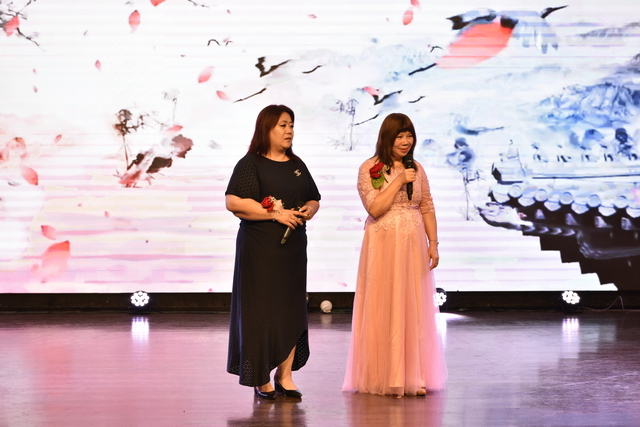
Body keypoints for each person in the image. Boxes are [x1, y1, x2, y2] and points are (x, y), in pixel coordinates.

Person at [342, 113, 447, 397]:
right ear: (387, 137)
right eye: (400, 136)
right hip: (382, 244)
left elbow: (427, 206)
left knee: (413, 306)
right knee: (383, 304)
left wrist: (433, 242)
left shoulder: (417, 168)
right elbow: (375, 208)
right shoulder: (369, 168)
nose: (405, 141)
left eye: (409, 135)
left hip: (412, 244)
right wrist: (399, 180)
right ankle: (384, 375)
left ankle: (415, 374)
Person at [225, 105, 321, 400]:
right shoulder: (250, 164)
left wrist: (308, 210)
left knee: (290, 310)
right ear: (266, 128)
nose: (289, 130)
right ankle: (261, 377)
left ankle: (285, 375)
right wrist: (276, 214)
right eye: (283, 125)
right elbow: (234, 203)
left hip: (293, 250)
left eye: (291, 124)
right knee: (261, 311)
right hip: (260, 250)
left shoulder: (297, 164)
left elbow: (313, 198)